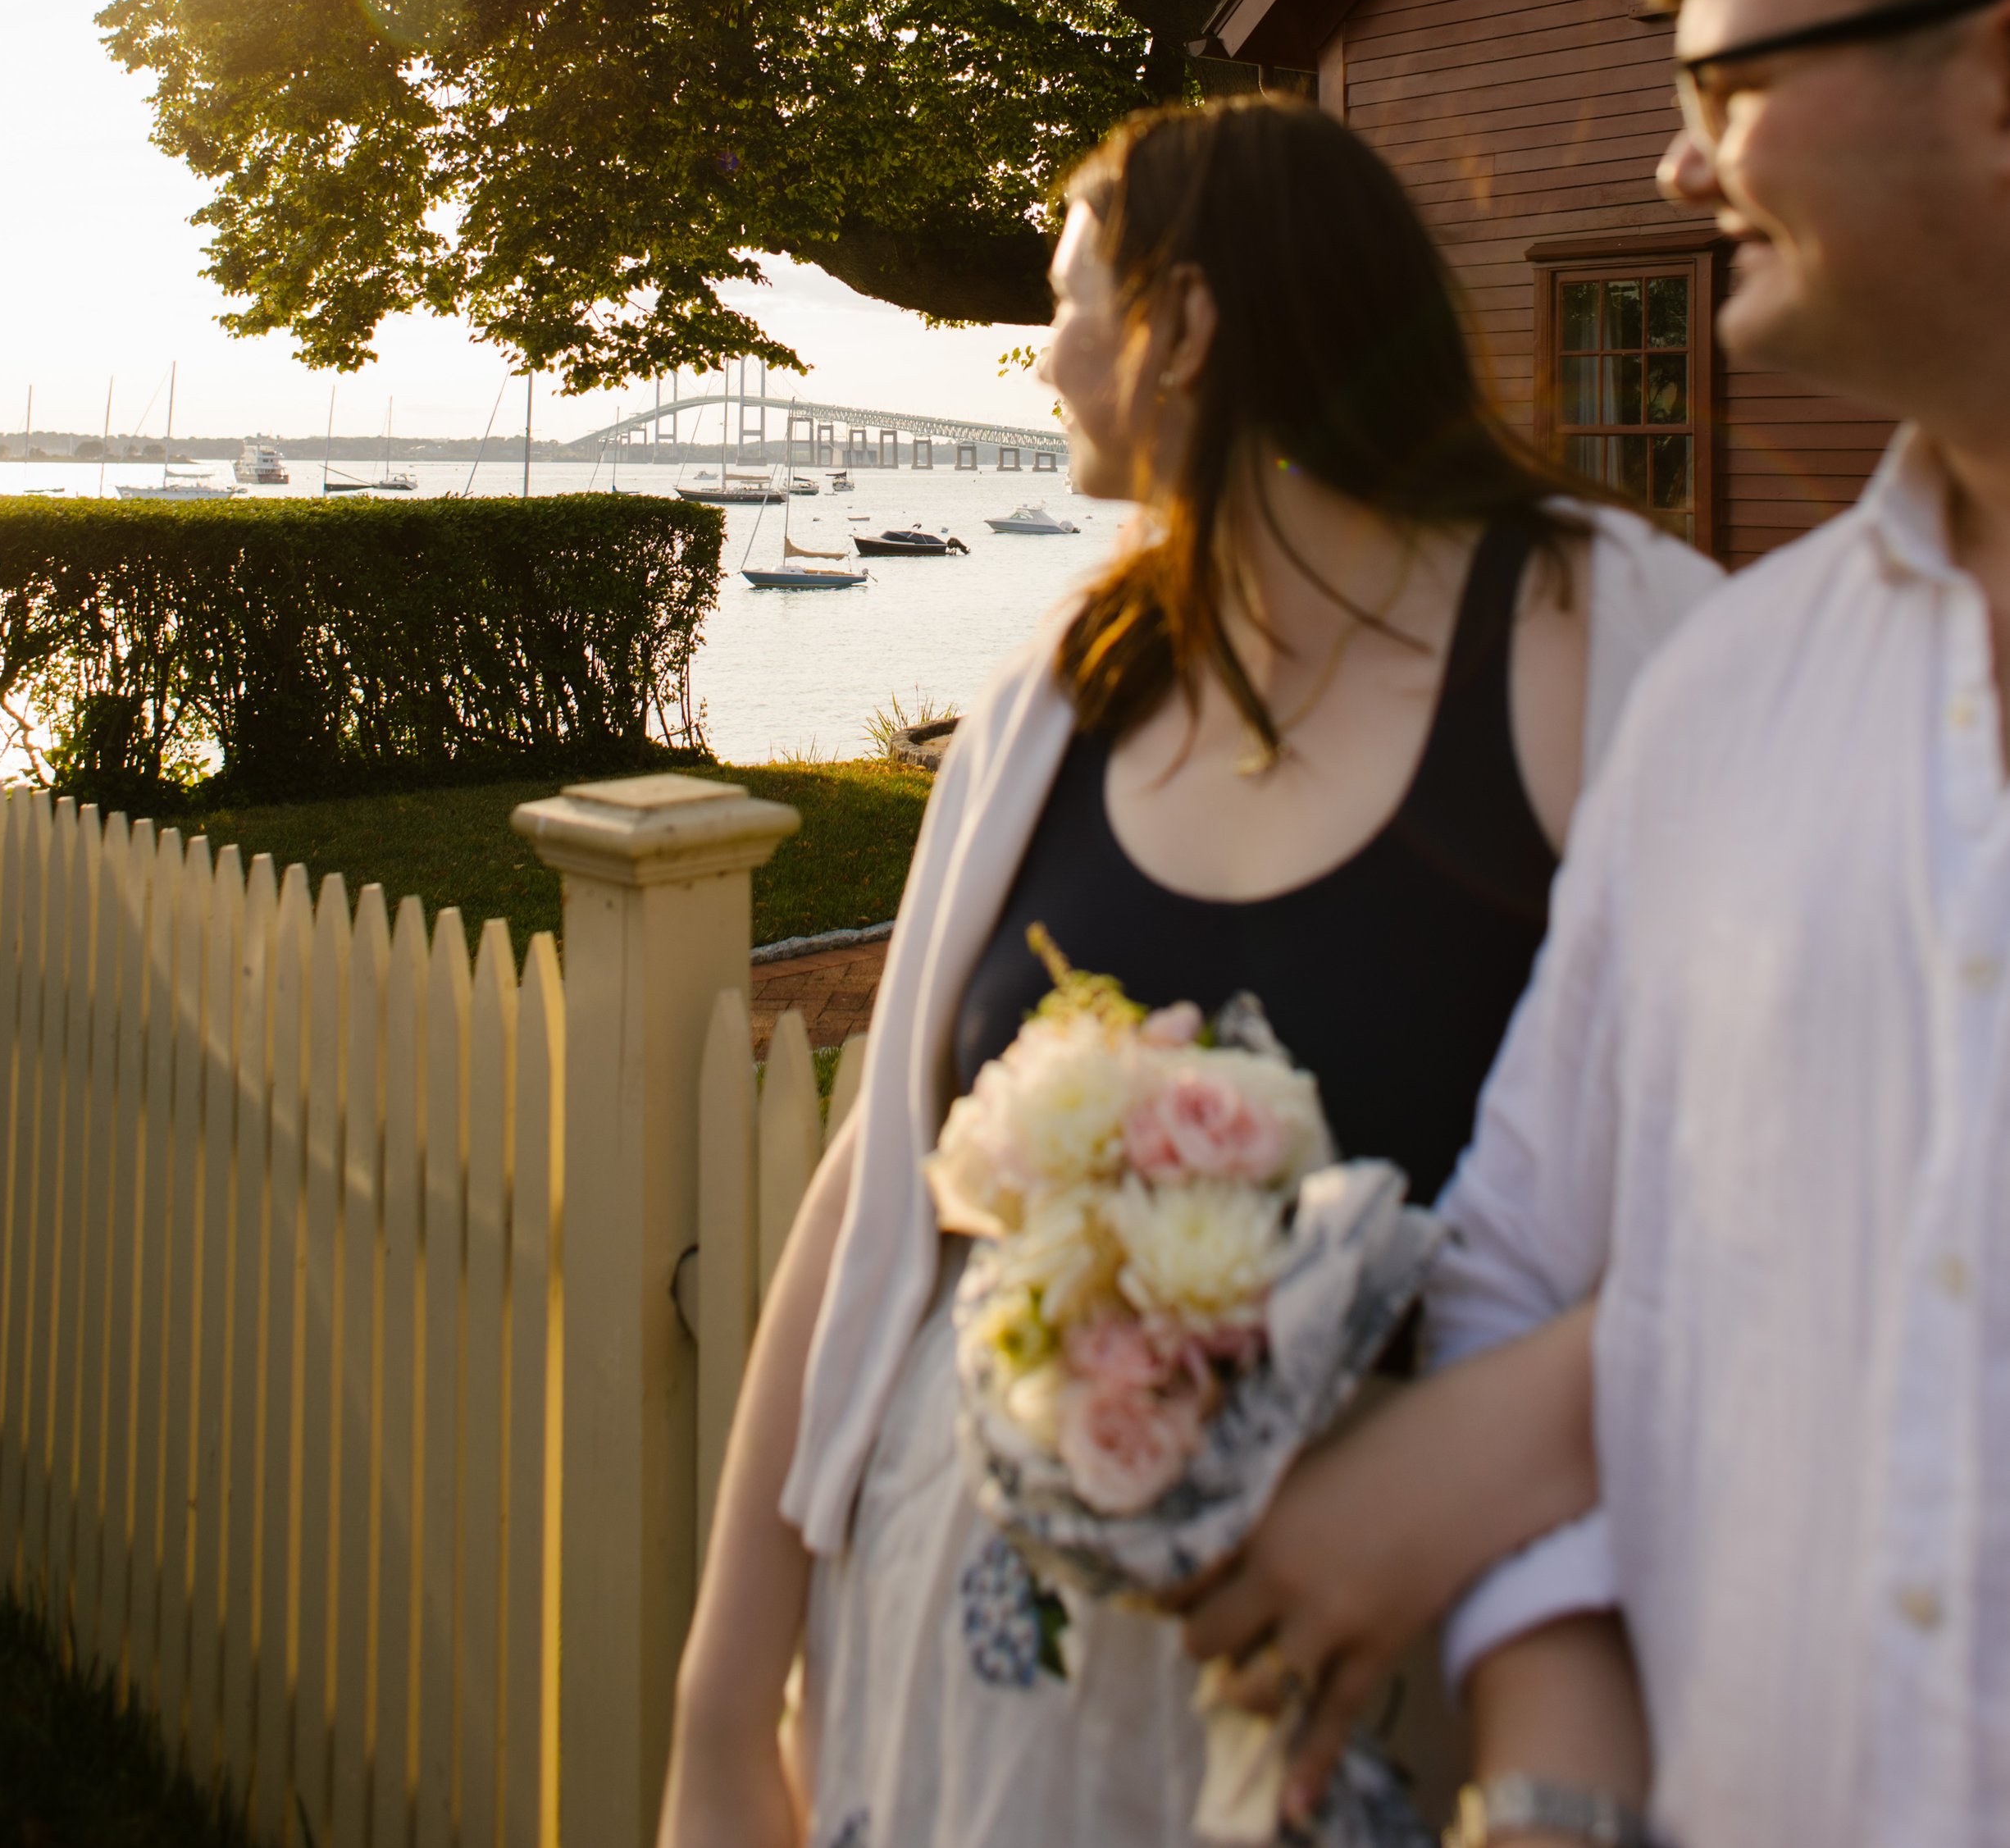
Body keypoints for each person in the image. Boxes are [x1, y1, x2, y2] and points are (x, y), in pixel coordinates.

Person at [658, 95, 1716, 1848]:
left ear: (1189, 323)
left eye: (1069, 300)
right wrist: (718, 1707)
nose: (1045, 356)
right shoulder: (1064, 690)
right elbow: (877, 1195)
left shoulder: (1604, 641)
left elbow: (1770, 1197)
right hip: (963, 1726)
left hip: (1395, 1718)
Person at [1182, 0, 2010, 1848]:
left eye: (1725, 83)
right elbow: (1518, 1260)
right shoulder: (1726, 703)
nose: (1668, 161)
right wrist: (1554, 1779)